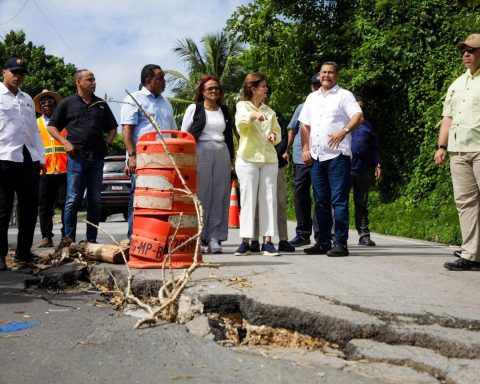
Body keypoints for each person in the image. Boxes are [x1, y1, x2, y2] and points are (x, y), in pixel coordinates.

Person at [299, 62, 363, 257]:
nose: (326, 75)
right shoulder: (312, 98)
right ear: (319, 75)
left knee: (339, 201)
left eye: (330, 72)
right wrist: (305, 148)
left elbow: (358, 116)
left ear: (337, 75)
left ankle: (340, 242)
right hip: (317, 156)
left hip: (337, 156)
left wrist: (343, 131)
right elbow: (305, 125)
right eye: (323, 72)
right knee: (320, 201)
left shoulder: (344, 95)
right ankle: (323, 241)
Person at [48, 69, 117, 244]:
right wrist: (65, 142)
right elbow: (52, 127)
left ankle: (91, 241)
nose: (94, 82)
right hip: (76, 158)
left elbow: (113, 128)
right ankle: (68, 239)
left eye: (94, 79)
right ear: (78, 82)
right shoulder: (67, 103)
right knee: (72, 199)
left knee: (94, 200)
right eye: (90, 79)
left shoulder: (101, 104)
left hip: (96, 159)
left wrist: (107, 143)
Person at [435, 33, 480, 271]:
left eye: (471, 50)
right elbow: (448, 117)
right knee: (465, 203)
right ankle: (472, 255)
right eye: (464, 50)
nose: (466, 54)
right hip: (458, 151)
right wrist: (441, 147)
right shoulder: (457, 83)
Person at [120, 64, 177, 240]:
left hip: (165, 160)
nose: (164, 82)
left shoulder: (166, 103)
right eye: (160, 78)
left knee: (161, 200)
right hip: (143, 159)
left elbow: (173, 132)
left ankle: (156, 239)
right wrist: (132, 157)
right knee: (139, 199)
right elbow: (127, 130)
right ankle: (134, 239)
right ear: (148, 81)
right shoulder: (134, 99)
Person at [0, 57, 46, 270]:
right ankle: (0, 257)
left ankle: (23, 253)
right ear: (4, 72)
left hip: (28, 158)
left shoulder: (27, 99)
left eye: (21, 73)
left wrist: (41, 158)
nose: (18, 76)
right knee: (3, 210)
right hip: (4, 159)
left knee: (29, 209)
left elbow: (34, 131)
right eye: (14, 71)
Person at [181, 75, 234, 254]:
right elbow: (184, 133)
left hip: (222, 151)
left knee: (220, 194)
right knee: (202, 193)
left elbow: (228, 136)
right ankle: (199, 237)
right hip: (201, 150)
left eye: (216, 88)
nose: (214, 91)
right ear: (203, 92)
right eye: (210, 88)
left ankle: (215, 237)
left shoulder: (224, 110)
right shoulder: (194, 108)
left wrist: (232, 159)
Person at [234, 72, 281, 256]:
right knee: (248, 199)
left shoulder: (270, 112)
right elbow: (241, 124)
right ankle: (245, 241)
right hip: (247, 158)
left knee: (269, 198)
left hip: (269, 158)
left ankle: (267, 241)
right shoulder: (242, 106)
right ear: (253, 89)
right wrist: (254, 115)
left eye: (265, 86)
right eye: (262, 86)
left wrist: (273, 136)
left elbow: (277, 133)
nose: (266, 89)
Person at [251, 87, 294, 253]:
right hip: (255, 164)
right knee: (255, 203)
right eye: (262, 91)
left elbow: (282, 139)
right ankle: (254, 240)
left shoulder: (277, 115)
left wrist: (272, 156)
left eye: (267, 93)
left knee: (280, 203)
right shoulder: (248, 114)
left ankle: (283, 239)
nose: (264, 96)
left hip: (276, 165)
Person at [284, 75, 321, 248]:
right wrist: (286, 150)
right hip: (301, 158)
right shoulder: (302, 107)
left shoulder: (327, 105)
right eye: (314, 85)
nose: (316, 87)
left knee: (321, 196)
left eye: (319, 85)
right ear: (310, 87)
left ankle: (322, 235)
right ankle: (303, 233)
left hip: (321, 157)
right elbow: (292, 130)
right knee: (301, 197)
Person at [33, 89, 66, 248]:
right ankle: (47, 237)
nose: (47, 104)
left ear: (56, 104)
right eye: (43, 102)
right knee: (45, 205)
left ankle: (67, 236)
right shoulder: (35, 123)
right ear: (40, 107)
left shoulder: (65, 121)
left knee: (66, 203)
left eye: (50, 101)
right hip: (44, 170)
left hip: (64, 169)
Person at [350, 96, 381, 246]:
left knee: (362, 202)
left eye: (361, 107)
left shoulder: (368, 125)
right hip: (345, 168)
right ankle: (335, 235)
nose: (359, 110)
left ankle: (364, 234)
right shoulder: (344, 124)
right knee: (338, 203)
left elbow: (374, 146)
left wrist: (377, 164)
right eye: (357, 107)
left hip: (364, 168)